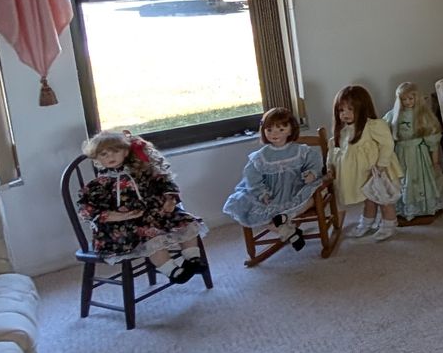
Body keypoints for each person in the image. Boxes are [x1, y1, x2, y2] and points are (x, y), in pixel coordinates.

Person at [77, 130, 207, 283]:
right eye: (104, 154)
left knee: (187, 221)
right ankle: (172, 271)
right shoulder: (100, 184)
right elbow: (86, 208)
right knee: (151, 236)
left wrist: (170, 199)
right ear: (97, 159)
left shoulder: (140, 171)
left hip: (154, 215)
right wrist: (117, 216)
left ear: (125, 152)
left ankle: (192, 259)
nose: (110, 157)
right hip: (122, 227)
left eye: (115, 151)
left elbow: (165, 182)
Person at [221, 106, 324, 250]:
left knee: (310, 199)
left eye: (281, 129)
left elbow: (315, 162)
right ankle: (286, 230)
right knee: (248, 209)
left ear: (290, 130)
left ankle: (285, 217)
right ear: (263, 131)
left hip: (295, 189)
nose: (274, 134)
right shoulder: (260, 156)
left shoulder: (301, 150)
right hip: (271, 194)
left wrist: (311, 173)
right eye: (269, 130)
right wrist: (261, 192)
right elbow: (252, 176)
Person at [328, 83, 401, 242]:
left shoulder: (373, 125)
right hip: (361, 174)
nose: (345, 113)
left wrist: (381, 165)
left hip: (376, 171)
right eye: (341, 110)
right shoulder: (343, 131)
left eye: (350, 109)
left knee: (383, 199)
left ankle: (389, 225)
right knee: (368, 198)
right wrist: (330, 166)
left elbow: (387, 144)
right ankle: (367, 222)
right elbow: (334, 150)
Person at [386, 82, 443, 225]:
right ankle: (406, 210)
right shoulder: (393, 116)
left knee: (422, 180)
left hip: (420, 155)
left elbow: (433, 140)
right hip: (401, 153)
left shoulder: (424, 116)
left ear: (416, 98)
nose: (407, 102)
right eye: (404, 99)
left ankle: (423, 208)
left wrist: (435, 161)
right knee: (403, 180)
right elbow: (384, 132)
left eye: (410, 98)